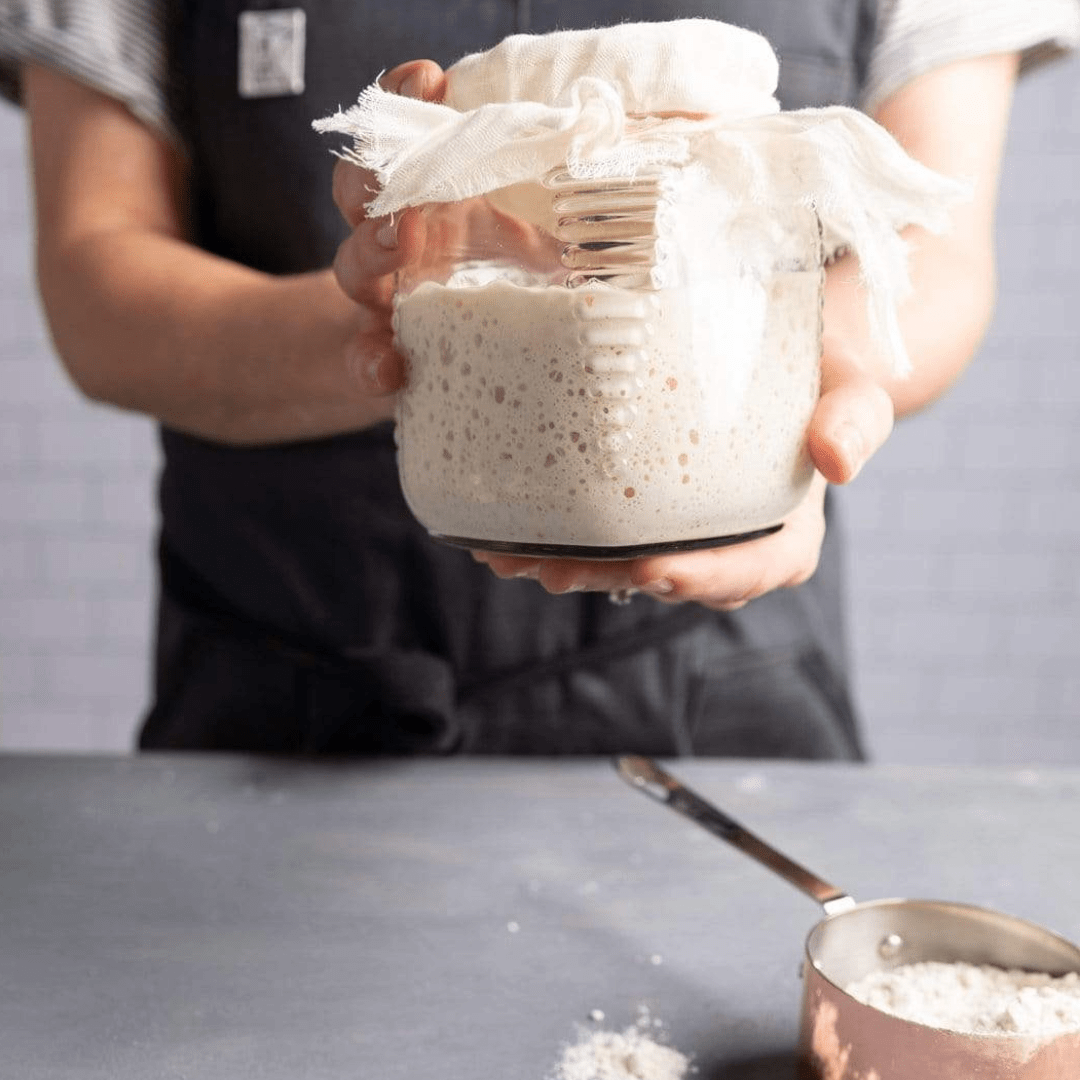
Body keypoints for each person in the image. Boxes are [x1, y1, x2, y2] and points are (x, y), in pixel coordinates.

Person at [1, 1, 1077, 756]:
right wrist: (379, 337)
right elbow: (98, 277)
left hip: (724, 692)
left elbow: (929, 247)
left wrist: (789, 393)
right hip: (287, 672)